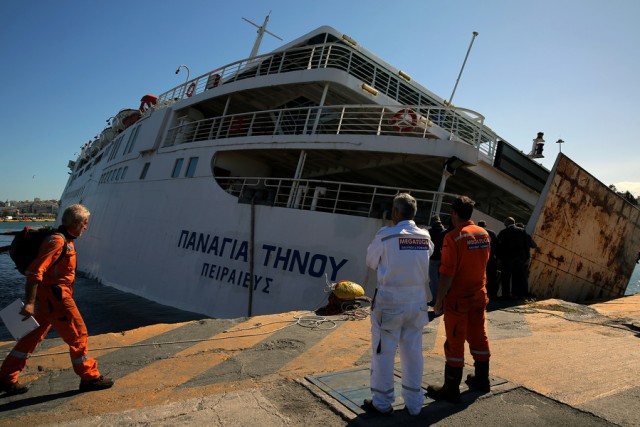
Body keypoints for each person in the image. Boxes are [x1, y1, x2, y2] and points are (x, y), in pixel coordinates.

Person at [0, 204, 114, 396]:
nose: (86, 227)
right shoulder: (57, 242)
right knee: (78, 335)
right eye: (85, 223)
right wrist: (29, 302)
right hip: (57, 299)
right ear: (76, 223)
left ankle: (6, 377)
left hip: (49, 298)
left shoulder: (66, 239)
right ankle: (89, 377)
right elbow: (35, 272)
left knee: (31, 336)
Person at [363, 193, 433, 416]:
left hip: (390, 304)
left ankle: (382, 403)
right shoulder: (425, 236)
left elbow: (371, 262)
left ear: (395, 212)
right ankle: (414, 404)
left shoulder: (385, 236)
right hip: (418, 304)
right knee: (413, 353)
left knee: (384, 352)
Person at [426, 196, 491, 403]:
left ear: (454, 213)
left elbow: (446, 273)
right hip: (479, 294)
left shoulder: (453, 237)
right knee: (479, 336)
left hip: (458, 299)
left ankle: (451, 388)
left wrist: (438, 301)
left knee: (455, 341)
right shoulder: (484, 234)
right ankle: (482, 379)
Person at [496, 217, 528, 299]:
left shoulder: (503, 232)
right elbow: (526, 245)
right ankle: (517, 294)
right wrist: (526, 257)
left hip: (507, 258)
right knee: (517, 277)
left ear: (507, 222)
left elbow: (499, 246)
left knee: (506, 277)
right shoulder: (522, 231)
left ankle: (505, 295)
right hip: (520, 258)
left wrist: (499, 258)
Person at [477, 220, 498, 301]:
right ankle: (492, 295)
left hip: (479, 259)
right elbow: (496, 246)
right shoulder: (491, 233)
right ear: (485, 225)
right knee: (492, 278)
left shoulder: (475, 233)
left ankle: (479, 295)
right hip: (490, 258)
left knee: (479, 278)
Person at [428, 215, 446, 306]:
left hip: (433, 258)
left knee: (433, 281)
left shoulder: (430, 232)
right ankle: (441, 300)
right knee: (441, 280)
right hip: (443, 258)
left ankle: (435, 300)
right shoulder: (444, 231)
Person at [516, 222, 537, 297]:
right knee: (523, 277)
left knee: (514, 276)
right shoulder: (527, 236)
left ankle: (515, 293)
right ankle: (522, 293)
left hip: (514, 258)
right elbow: (534, 245)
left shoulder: (515, 235)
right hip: (524, 259)